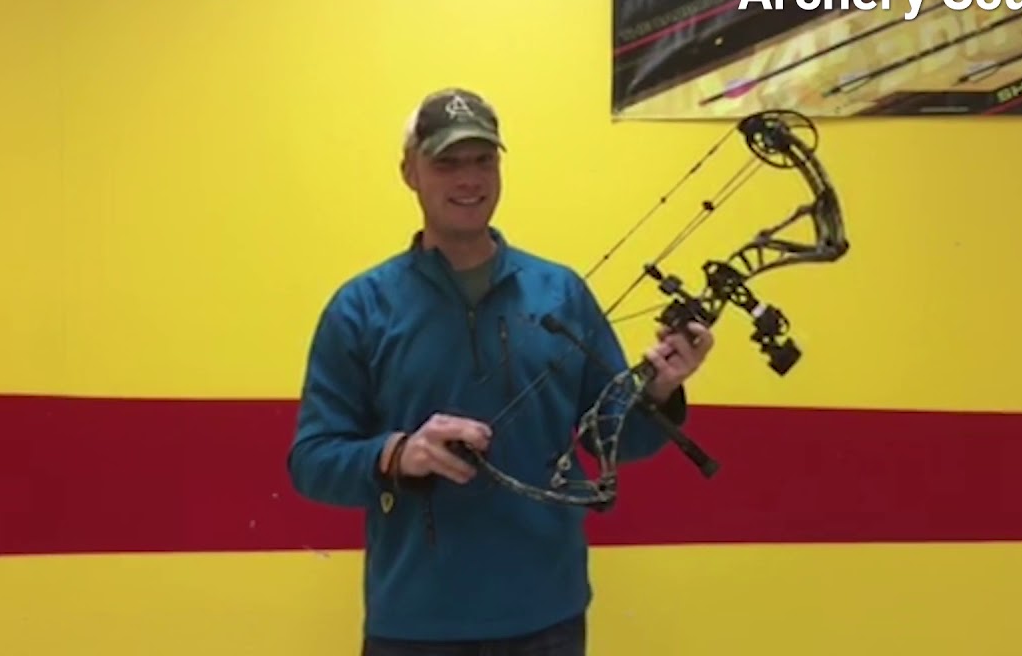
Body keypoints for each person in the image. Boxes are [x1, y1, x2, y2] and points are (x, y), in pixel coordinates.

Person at [286, 87, 715, 655]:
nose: (469, 179)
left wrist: (660, 387)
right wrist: (398, 453)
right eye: (447, 162)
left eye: (483, 160)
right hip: (415, 626)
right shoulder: (361, 307)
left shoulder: (561, 292)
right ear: (410, 172)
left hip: (547, 619)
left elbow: (616, 440)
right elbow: (312, 462)